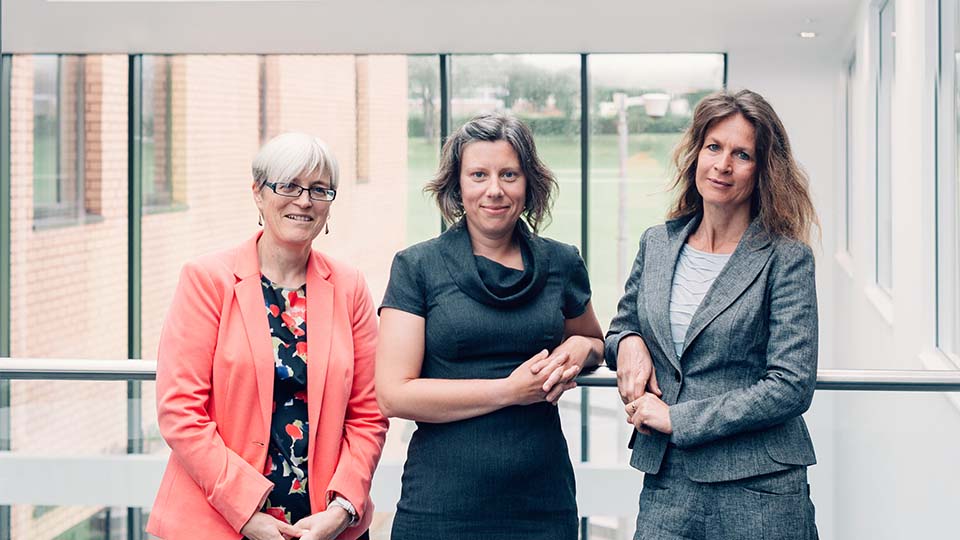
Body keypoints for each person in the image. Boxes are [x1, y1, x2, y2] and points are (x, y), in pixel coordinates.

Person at [146, 132, 388, 540]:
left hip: (325, 526)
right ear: (258, 193)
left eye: (319, 189)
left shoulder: (350, 287)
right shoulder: (208, 280)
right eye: (288, 186)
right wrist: (244, 514)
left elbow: (368, 414)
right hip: (218, 521)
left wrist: (344, 508)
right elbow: (180, 411)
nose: (304, 200)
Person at [376, 113, 604, 540]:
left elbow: (594, 339)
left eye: (509, 174)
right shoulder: (416, 267)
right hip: (440, 505)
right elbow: (393, 394)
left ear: (529, 183)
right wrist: (509, 391)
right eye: (478, 174)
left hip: (541, 502)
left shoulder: (562, 262)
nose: (494, 190)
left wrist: (581, 350)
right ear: (457, 186)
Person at [606, 89, 820, 540]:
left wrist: (678, 420)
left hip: (758, 488)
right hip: (667, 483)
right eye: (714, 147)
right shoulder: (657, 244)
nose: (723, 165)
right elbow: (624, 323)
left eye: (742, 154)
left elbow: (791, 385)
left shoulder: (785, 258)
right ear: (696, 154)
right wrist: (628, 343)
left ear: (764, 170)